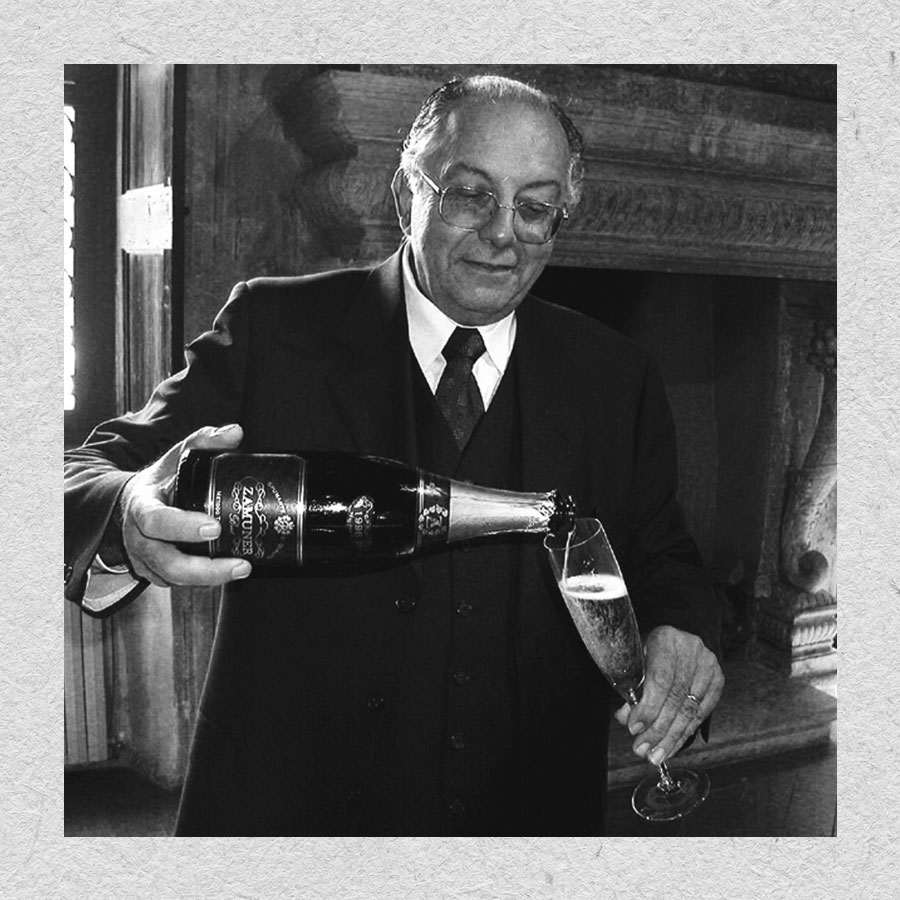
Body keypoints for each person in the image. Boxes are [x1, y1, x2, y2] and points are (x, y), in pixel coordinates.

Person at [64, 74, 724, 835]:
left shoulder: (616, 374)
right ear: (407, 194)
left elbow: (664, 556)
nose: (503, 233)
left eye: (535, 207)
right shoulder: (274, 330)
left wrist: (683, 630)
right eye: (471, 194)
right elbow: (82, 472)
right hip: (292, 818)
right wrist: (129, 512)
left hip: (527, 821)